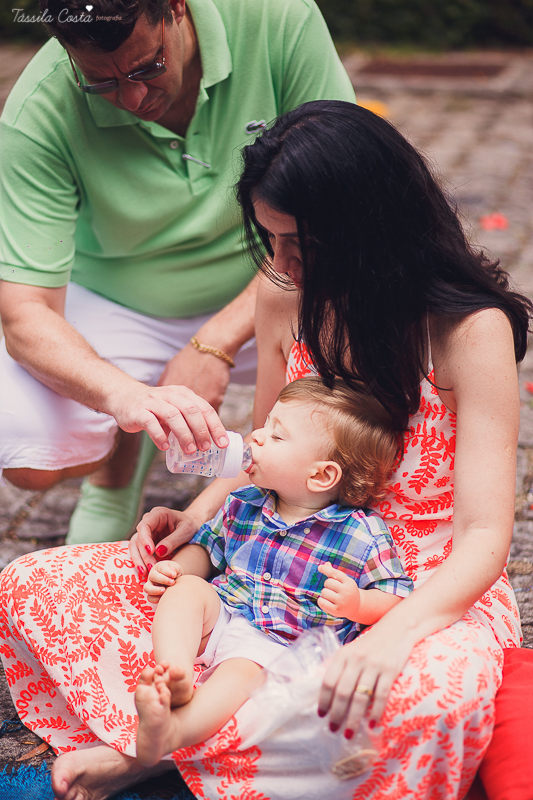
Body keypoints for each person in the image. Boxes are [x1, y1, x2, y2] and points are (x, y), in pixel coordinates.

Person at [0, 100, 530, 800]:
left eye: (301, 247)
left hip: (413, 583)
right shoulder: (286, 294)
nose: (279, 266)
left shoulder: (469, 330)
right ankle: (190, 743)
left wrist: (390, 631)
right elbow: (258, 457)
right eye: (269, 240)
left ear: (372, 229)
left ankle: (152, 753)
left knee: (433, 699)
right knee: (35, 584)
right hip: (264, 559)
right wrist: (197, 516)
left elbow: (484, 535)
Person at [0, 0, 355, 545]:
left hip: (282, 280)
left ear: (175, 8)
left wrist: (212, 343)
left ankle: (304, 517)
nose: (133, 98)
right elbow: (25, 314)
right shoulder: (38, 109)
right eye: (102, 82)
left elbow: (342, 205)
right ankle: (114, 482)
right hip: (123, 301)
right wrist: (127, 397)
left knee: (362, 365)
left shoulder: (278, 18)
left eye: (147, 67)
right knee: (29, 454)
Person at [134, 376, 413, 766]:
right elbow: (208, 549)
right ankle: (175, 673)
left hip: (278, 640)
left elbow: (397, 598)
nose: (257, 437)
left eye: (276, 437)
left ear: (320, 475)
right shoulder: (244, 502)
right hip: (228, 609)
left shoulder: (361, 534)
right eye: (265, 425)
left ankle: (174, 732)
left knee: (239, 673)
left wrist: (358, 603)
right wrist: (175, 570)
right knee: (186, 592)